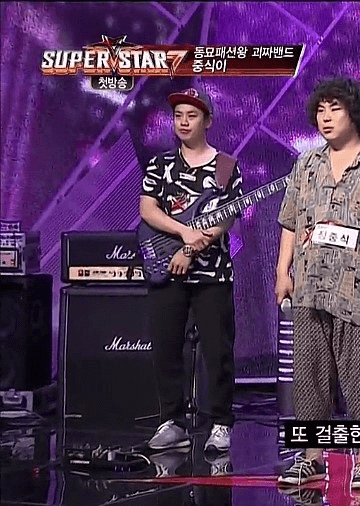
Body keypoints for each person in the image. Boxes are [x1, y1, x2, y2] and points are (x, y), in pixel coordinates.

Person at [274, 77, 360, 491]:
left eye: (334, 109)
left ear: (355, 113)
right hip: (310, 287)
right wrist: (282, 272)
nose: (326, 117)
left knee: (359, 377)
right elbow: (290, 221)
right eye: (320, 110)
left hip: (359, 288)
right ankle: (311, 458)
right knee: (309, 375)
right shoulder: (306, 164)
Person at [139, 87, 242, 454]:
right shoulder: (160, 164)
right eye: (178, 115)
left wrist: (191, 249)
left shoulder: (226, 165)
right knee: (166, 348)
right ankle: (172, 422)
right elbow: (148, 209)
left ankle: (221, 424)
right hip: (165, 269)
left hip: (212, 275)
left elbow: (226, 218)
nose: (183, 122)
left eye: (192, 115)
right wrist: (183, 234)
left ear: (207, 121)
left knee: (218, 352)